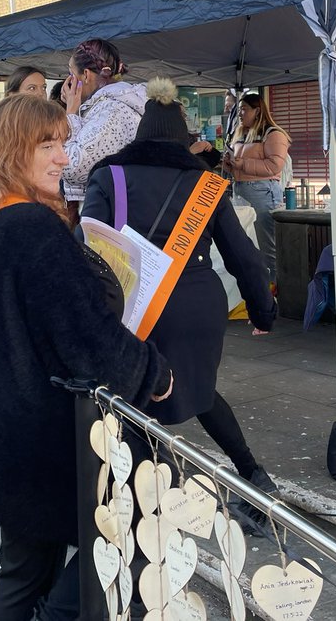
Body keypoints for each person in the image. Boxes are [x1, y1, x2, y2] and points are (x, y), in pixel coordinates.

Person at [0, 95, 171, 621]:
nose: (65, 157)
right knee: (130, 521)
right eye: (48, 145)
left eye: (63, 142)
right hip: (28, 431)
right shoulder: (31, 227)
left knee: (25, 562)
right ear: (11, 151)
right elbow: (88, 339)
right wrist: (155, 372)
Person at [82, 78, 278, 506]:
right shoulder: (207, 183)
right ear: (182, 136)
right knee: (199, 388)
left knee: (130, 391)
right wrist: (263, 312)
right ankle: (253, 474)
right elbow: (245, 257)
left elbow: (90, 249)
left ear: (141, 132)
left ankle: (137, 493)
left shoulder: (109, 176)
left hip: (131, 306)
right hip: (196, 307)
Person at [60, 38, 147, 207]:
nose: (68, 81)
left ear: (85, 75)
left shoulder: (111, 110)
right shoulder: (112, 104)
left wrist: (71, 113)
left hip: (109, 209)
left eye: (71, 74)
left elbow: (72, 167)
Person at [222, 92, 290, 282]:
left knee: (266, 243)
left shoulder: (274, 134)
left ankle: (278, 287)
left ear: (257, 111)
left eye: (244, 110)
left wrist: (242, 164)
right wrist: (230, 164)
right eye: (240, 110)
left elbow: (274, 166)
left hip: (263, 192)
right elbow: (241, 163)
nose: (241, 114)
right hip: (241, 189)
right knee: (246, 241)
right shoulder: (241, 133)